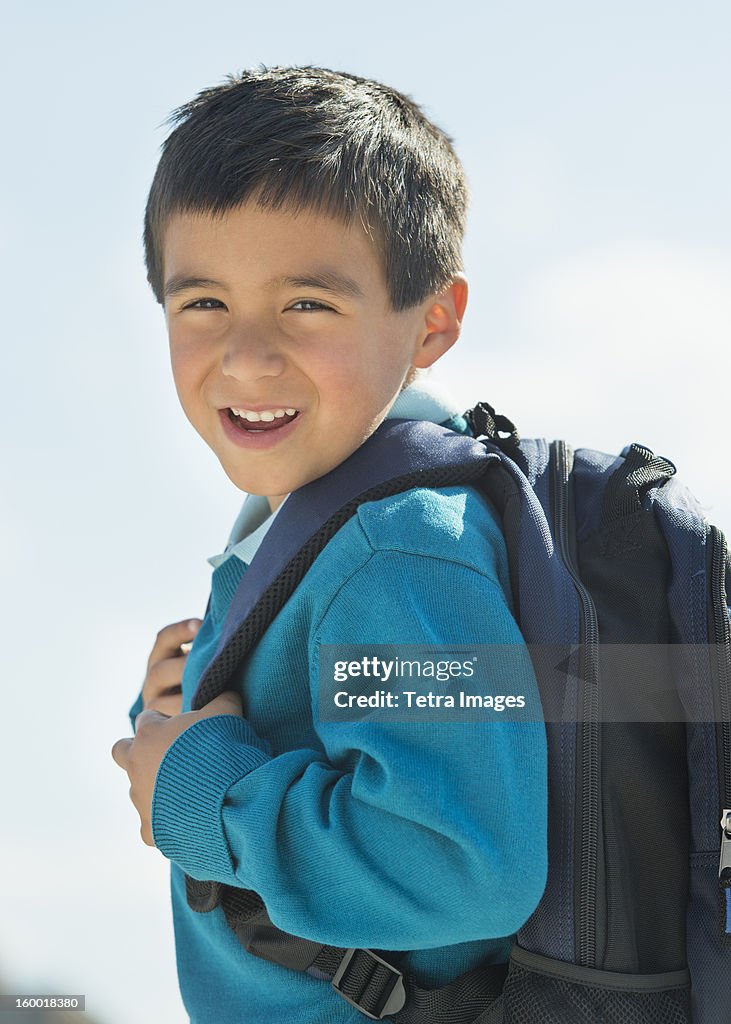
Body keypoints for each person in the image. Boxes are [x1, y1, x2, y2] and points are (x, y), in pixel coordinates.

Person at [111, 66, 547, 1024]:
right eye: (203, 304)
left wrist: (195, 784)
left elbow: (459, 866)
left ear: (431, 320)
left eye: (306, 304)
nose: (248, 355)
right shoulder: (307, 525)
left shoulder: (394, 544)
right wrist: (188, 719)